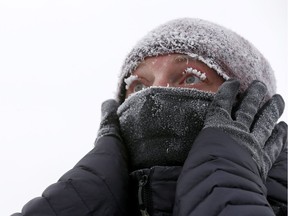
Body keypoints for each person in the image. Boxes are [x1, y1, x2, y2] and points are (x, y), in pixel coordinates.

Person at [12, 18, 287, 216]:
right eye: (139, 86)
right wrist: (81, 198)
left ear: (252, 108)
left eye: (191, 78)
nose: (154, 94)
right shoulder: (84, 198)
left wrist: (224, 183)